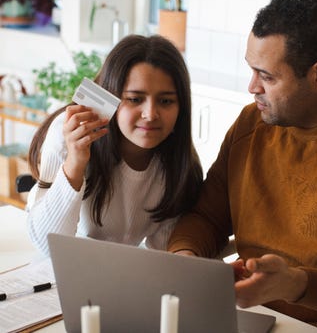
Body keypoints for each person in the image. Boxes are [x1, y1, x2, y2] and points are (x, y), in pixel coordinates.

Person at [167, 0, 317, 327]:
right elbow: (206, 217)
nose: (252, 86)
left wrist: (298, 284)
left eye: (267, 76)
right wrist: (186, 260)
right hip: (249, 313)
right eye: (252, 70)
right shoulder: (251, 124)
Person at [27, 34, 203, 256]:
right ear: (112, 98)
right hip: (55, 274)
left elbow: (164, 251)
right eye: (135, 99)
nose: (150, 114)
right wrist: (75, 163)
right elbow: (46, 245)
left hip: (119, 273)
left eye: (166, 101)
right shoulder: (68, 134)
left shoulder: (177, 163)